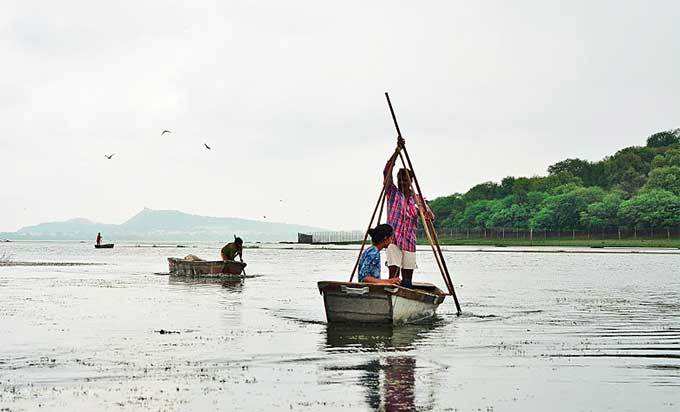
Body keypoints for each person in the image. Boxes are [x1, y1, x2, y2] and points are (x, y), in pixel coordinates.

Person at [383, 137, 435, 288]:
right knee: (393, 276)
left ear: (411, 181)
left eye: (405, 180)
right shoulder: (392, 193)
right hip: (394, 240)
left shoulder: (417, 199)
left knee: (407, 280)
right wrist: (397, 152)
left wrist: (422, 207)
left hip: (409, 242)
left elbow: (430, 218)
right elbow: (387, 171)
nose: (402, 182)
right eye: (400, 179)